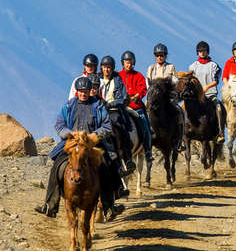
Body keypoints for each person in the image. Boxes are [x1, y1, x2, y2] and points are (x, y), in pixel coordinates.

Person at [34, 77, 125, 220]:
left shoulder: (98, 106)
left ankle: (108, 206)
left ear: (90, 91)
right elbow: (59, 124)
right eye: (81, 91)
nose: (83, 94)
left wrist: (94, 136)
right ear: (77, 92)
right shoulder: (69, 106)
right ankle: (50, 205)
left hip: (91, 145)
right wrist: (69, 134)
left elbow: (106, 126)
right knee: (57, 167)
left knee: (107, 166)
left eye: (86, 91)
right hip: (72, 145)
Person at [98, 55, 136, 174]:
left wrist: (109, 104)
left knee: (121, 127)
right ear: (101, 68)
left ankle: (128, 157)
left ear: (113, 68)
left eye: (109, 67)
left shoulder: (117, 79)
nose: (107, 70)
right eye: (105, 67)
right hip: (99, 110)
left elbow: (122, 97)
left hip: (114, 110)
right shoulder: (97, 79)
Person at [147, 43, 185, 150]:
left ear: (165, 56)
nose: (160, 57)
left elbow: (175, 81)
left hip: (168, 98)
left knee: (179, 112)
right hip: (154, 98)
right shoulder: (151, 68)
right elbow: (148, 83)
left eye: (162, 55)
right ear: (155, 56)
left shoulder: (171, 67)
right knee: (144, 115)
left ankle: (180, 141)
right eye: (158, 55)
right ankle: (146, 140)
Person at [119, 51, 153, 162]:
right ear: (123, 63)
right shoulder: (118, 76)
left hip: (136, 106)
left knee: (146, 127)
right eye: (126, 62)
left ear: (133, 63)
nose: (128, 65)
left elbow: (143, 89)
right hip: (122, 107)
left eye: (130, 62)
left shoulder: (138, 76)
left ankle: (148, 150)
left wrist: (136, 96)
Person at [189, 41, 225, 143]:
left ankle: (220, 132)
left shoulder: (214, 65)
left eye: (204, 51)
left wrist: (206, 87)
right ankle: (183, 133)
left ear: (207, 51)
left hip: (210, 94)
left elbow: (216, 80)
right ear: (197, 52)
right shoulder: (193, 66)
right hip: (196, 96)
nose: (202, 53)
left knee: (218, 108)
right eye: (200, 51)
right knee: (184, 108)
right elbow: (191, 80)